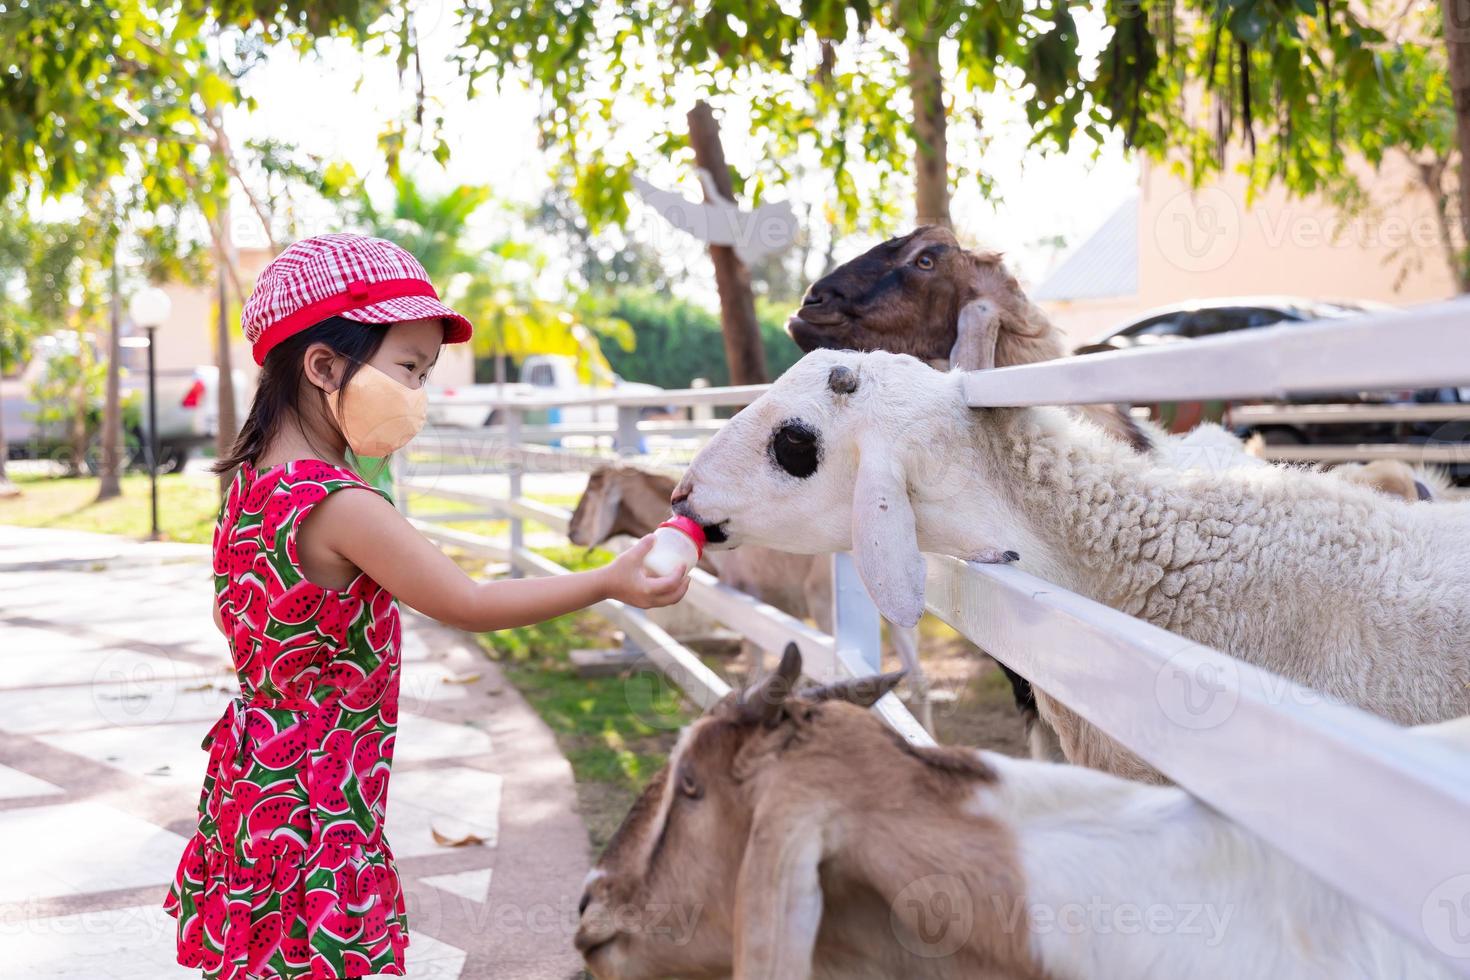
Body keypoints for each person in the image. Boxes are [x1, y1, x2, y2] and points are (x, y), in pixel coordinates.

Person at [162, 234, 688, 979]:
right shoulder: (338, 505)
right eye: (408, 368)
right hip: (321, 814)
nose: (419, 394)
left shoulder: (251, 487)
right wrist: (609, 578)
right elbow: (468, 600)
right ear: (323, 366)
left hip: (254, 791)